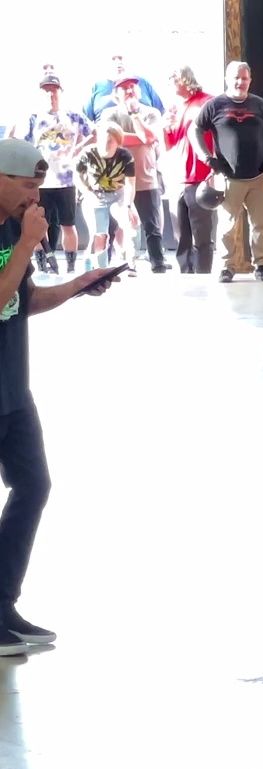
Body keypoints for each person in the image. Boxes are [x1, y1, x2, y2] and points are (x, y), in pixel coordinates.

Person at [0, 139, 120, 656]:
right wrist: (28, 244)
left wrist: (79, 284)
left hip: (12, 387)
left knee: (33, 485)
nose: (34, 196)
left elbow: (22, 301)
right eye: (27, 185)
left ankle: (2, 605)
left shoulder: (13, 225)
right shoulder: (19, 232)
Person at [193, 61, 263, 282]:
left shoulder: (260, 105)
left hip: (259, 177)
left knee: (261, 224)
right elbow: (194, 130)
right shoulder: (214, 105)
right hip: (228, 178)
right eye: (236, 77)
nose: (240, 82)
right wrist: (207, 158)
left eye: (244, 78)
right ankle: (227, 265)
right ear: (227, 78)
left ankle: (262, 264)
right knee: (227, 225)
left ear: (250, 80)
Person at [15, 69, 91, 276]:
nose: (50, 94)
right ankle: (43, 265)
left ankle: (71, 265)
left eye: (54, 90)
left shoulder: (73, 116)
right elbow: (21, 144)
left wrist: (78, 148)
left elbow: (95, 134)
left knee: (69, 224)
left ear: (60, 92)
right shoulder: (33, 118)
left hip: (66, 180)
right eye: (46, 91)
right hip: (40, 182)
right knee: (39, 225)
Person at [101, 77, 167, 273]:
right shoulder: (109, 114)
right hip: (117, 181)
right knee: (114, 226)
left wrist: (135, 115)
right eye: (123, 88)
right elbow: (110, 140)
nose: (129, 91)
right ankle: (115, 265)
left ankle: (158, 264)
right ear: (115, 94)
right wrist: (139, 138)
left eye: (132, 87)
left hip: (146, 178)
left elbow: (149, 136)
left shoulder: (151, 113)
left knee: (152, 226)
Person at [162, 65, 215, 274]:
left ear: (183, 79)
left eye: (172, 79)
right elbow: (169, 143)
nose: (170, 85)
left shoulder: (207, 101)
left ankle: (203, 275)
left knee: (201, 234)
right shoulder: (175, 107)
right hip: (179, 177)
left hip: (200, 175)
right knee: (181, 234)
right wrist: (165, 128)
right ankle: (186, 274)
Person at [72, 124, 133, 270]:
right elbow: (77, 176)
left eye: (110, 141)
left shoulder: (125, 156)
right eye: (103, 140)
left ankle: (129, 261)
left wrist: (128, 205)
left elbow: (131, 183)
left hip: (118, 194)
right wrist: (86, 191)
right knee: (99, 233)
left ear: (118, 142)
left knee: (127, 225)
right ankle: (99, 267)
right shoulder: (88, 153)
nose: (106, 144)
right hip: (95, 195)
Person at [86, 55, 163, 119]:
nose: (118, 62)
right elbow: (85, 119)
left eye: (120, 58)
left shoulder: (143, 82)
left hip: (144, 132)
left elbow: (161, 113)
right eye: (113, 59)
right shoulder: (97, 86)